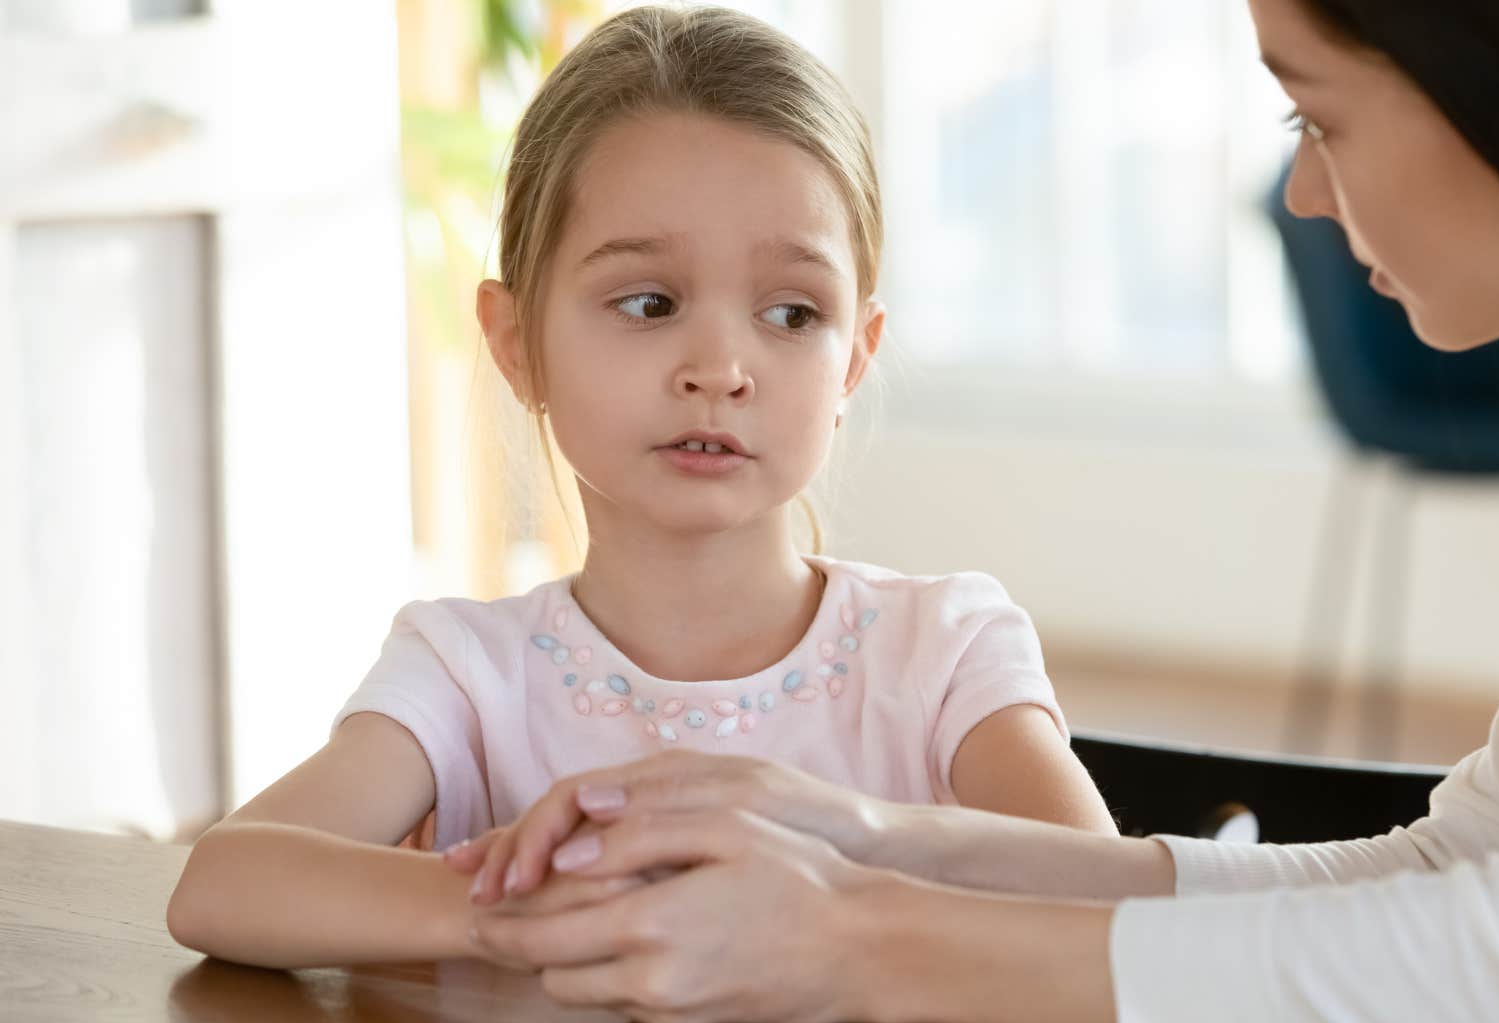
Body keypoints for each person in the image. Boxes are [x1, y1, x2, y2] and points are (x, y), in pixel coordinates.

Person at [456, 2, 1499, 1023]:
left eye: (1316, 114)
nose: (1302, 189)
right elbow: (1467, 857)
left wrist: (852, 938)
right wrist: (876, 842)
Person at [165, 5, 1114, 972]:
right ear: (516, 343)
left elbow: (1113, 908)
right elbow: (223, 884)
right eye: (649, 303)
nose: (720, 367)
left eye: (792, 313)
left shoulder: (945, 653)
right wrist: (528, 913)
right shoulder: (466, 675)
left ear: (854, 363)